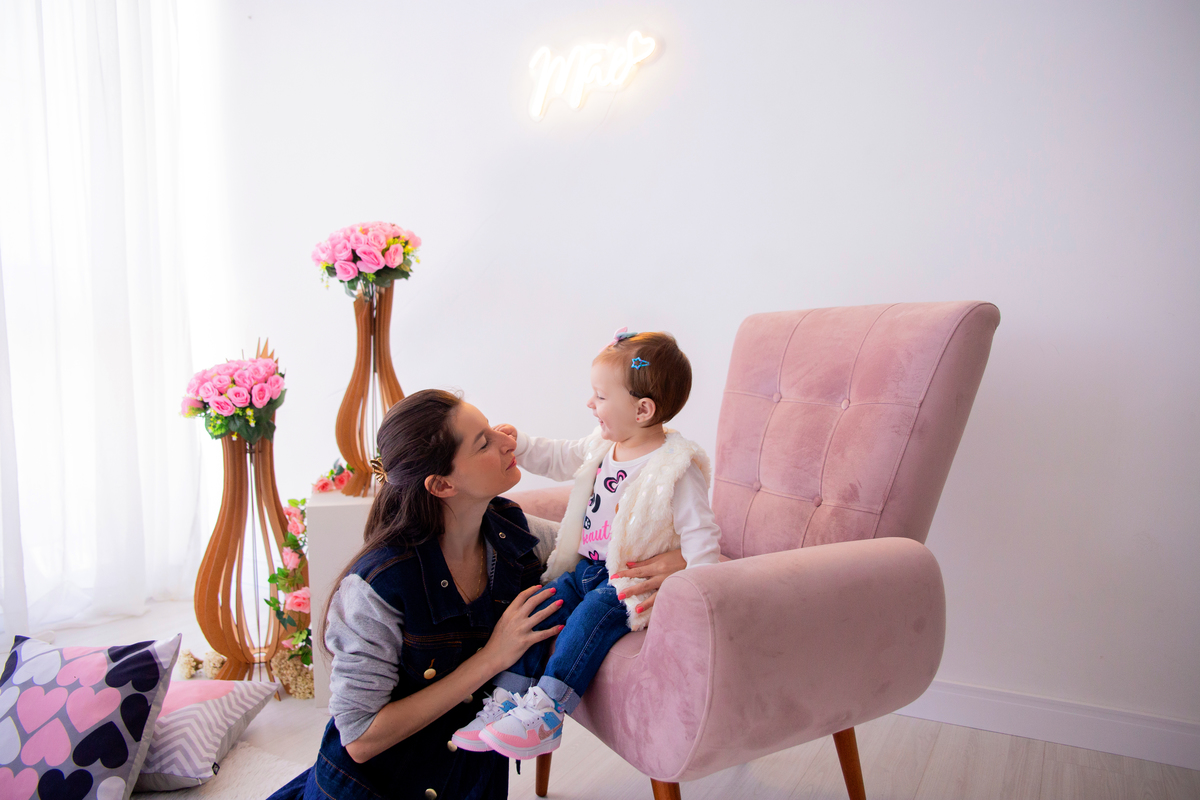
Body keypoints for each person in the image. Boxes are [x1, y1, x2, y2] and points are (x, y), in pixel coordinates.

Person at [267, 388, 690, 800]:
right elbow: (359, 737)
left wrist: (678, 559)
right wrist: (492, 657)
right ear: (441, 486)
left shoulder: (514, 533)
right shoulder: (375, 588)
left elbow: (600, 556)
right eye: (484, 442)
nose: (509, 441)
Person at [452, 330, 722, 761]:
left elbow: (701, 536)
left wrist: (700, 592)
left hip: (629, 583)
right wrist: (518, 444)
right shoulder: (603, 444)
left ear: (642, 409)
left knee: (592, 615)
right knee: (541, 604)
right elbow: (559, 457)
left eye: (599, 397)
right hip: (585, 570)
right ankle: (507, 699)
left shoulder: (675, 466)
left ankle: (548, 711)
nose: (590, 405)